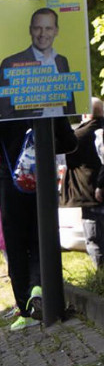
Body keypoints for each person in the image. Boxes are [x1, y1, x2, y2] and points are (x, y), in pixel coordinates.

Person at [0, 108, 76, 330]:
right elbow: (70, 142)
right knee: (42, 237)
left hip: (11, 183)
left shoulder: (2, 103)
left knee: (15, 246)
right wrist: (40, 144)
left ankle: (25, 311)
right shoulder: (51, 99)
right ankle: (38, 287)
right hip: (42, 180)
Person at [0, 8, 76, 120]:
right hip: (29, 133)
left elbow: (69, 102)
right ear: (30, 30)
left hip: (59, 131)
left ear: (56, 31)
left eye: (48, 28)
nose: (43, 34)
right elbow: (3, 110)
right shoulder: (11, 63)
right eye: (38, 28)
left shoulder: (62, 61)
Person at [66, 97, 104, 267]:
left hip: (91, 193)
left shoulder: (82, 134)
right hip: (95, 190)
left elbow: (66, 149)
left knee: (94, 239)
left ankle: (100, 278)